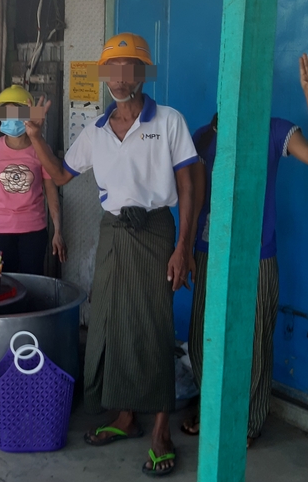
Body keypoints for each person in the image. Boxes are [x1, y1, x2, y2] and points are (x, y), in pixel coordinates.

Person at [26, 33, 198, 477]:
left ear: (142, 73)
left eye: (129, 68)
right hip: (114, 231)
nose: (120, 79)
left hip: (156, 230)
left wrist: (183, 246)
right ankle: (125, 417)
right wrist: (34, 135)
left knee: (154, 325)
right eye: (113, 70)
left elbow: (188, 187)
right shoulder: (97, 131)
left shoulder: (170, 121)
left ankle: (160, 430)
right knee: (112, 321)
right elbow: (60, 175)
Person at [182, 54, 308, 448]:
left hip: (257, 257)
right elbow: (195, 199)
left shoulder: (272, 131)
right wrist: (184, 249)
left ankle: (247, 422)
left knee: (253, 340)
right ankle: (211, 408)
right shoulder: (202, 137)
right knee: (202, 338)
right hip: (207, 252)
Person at [0, 85, 65, 274]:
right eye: (5, 113)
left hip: (33, 229)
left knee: (32, 283)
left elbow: (51, 191)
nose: (10, 118)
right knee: (3, 285)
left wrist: (57, 230)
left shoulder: (41, 149)